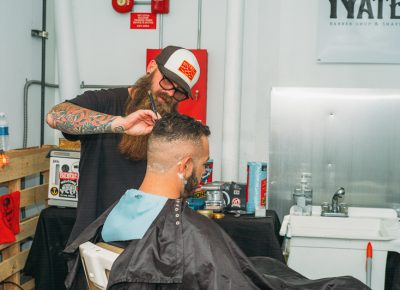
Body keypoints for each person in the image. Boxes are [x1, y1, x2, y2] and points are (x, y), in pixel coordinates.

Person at [63, 113, 369, 290]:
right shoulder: (188, 233)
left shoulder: (118, 210)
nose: (205, 172)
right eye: (203, 164)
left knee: (264, 265)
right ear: (183, 166)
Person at [46, 46, 201, 243]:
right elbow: (55, 116)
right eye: (168, 81)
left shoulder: (175, 127)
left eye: (179, 92)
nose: (170, 93)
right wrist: (120, 124)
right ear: (151, 67)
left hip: (146, 248)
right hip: (94, 240)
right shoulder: (106, 102)